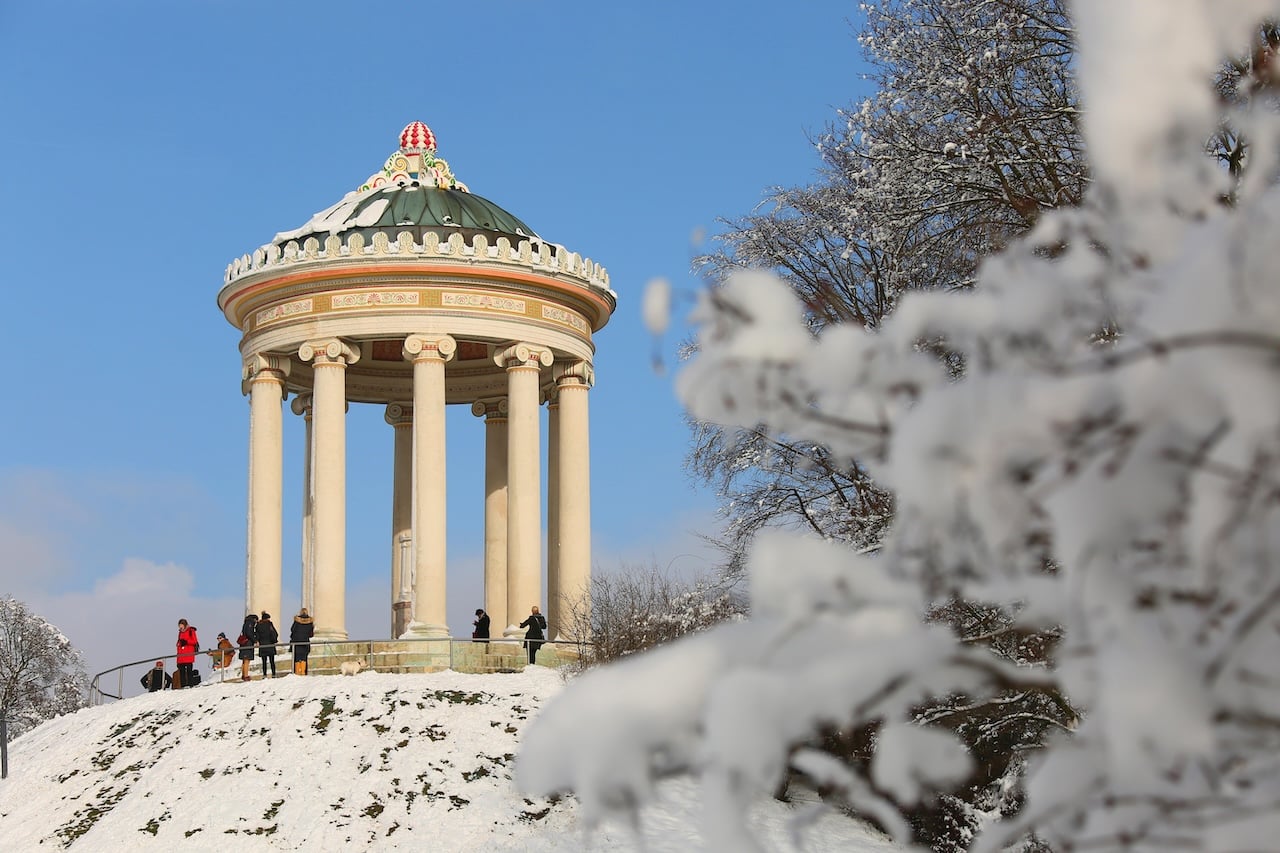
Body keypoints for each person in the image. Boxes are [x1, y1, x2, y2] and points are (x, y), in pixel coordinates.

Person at [289, 608, 314, 675]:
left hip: (296, 642)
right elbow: (311, 634)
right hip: (305, 642)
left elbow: (292, 629)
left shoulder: (297, 620)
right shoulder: (310, 622)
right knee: (304, 658)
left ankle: (297, 672)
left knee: (296, 658)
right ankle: (303, 672)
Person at [175, 619, 199, 689]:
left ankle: (190, 684)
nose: (180, 627)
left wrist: (186, 641)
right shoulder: (180, 633)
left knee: (189, 669)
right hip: (181, 654)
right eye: (179, 626)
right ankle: (183, 685)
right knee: (181, 670)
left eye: (181, 625)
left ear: (184, 625)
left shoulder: (191, 631)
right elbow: (178, 644)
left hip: (188, 653)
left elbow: (194, 641)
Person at [255, 611, 279, 678]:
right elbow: (274, 633)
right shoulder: (269, 624)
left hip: (262, 645)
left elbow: (257, 635)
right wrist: (275, 640)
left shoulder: (258, 625)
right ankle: (273, 673)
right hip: (270, 644)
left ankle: (264, 674)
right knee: (272, 661)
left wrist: (258, 641)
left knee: (264, 661)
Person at [238, 613, 258, 681]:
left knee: (244, 661)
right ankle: (246, 676)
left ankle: (244, 675)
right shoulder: (250, 623)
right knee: (247, 660)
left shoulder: (245, 623)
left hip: (243, 644)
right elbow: (249, 633)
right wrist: (255, 640)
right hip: (247, 644)